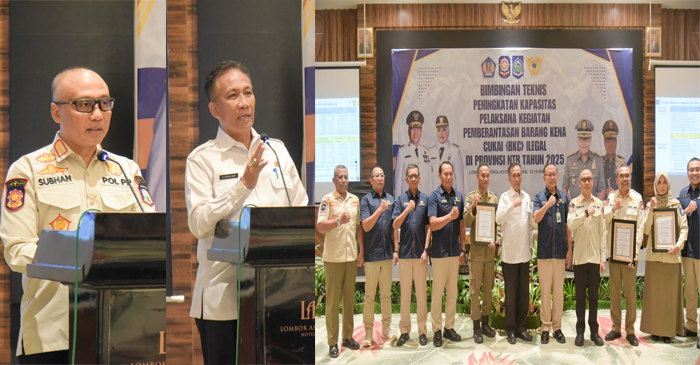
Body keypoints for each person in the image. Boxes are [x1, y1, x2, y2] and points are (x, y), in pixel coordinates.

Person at [1, 67, 157, 364]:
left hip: (124, 333)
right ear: (56, 112)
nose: (97, 115)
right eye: (84, 105)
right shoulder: (27, 170)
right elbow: (17, 251)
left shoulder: (127, 170)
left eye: (104, 103)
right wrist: (84, 259)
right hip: (53, 334)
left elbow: (148, 244)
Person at [185, 61, 308, 364]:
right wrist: (243, 185)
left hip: (281, 299)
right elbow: (199, 224)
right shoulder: (202, 159)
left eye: (248, 93)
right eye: (233, 96)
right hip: (224, 301)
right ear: (215, 109)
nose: (244, 103)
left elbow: (303, 212)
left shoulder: (276, 151)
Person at [317, 165, 362, 358]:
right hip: (333, 258)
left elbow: (358, 227)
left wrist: (362, 251)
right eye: (340, 177)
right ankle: (332, 342)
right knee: (333, 303)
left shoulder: (355, 200)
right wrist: (337, 221)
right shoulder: (328, 200)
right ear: (334, 180)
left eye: (346, 177)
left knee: (349, 301)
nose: (344, 180)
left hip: (351, 256)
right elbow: (320, 226)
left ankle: (347, 337)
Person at [640, 171, 688, 343]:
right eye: (659, 182)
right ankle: (655, 329)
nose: (661, 186)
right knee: (654, 296)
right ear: (655, 185)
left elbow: (684, 228)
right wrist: (651, 209)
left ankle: (668, 331)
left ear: (668, 184)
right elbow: (645, 230)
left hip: (671, 257)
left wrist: (678, 246)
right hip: (654, 259)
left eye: (664, 182)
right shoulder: (649, 205)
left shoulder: (676, 205)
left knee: (668, 296)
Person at [603, 165, 644, 346]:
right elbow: (603, 219)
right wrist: (613, 209)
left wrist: (634, 252)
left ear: (630, 178)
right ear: (617, 179)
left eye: (627, 176)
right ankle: (615, 327)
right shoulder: (611, 198)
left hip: (630, 257)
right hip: (614, 255)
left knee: (630, 294)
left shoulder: (637, 198)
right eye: (622, 176)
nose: (625, 179)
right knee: (615, 293)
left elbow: (640, 227)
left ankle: (630, 331)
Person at [533, 163, 572, 345]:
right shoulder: (539, 197)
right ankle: (545, 327)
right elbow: (536, 218)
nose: (552, 177)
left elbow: (567, 225)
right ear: (544, 177)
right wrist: (547, 205)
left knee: (558, 293)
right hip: (544, 252)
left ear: (557, 176)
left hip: (560, 253)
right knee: (545, 291)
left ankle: (557, 327)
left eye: (554, 174)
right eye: (548, 174)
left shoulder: (564, 197)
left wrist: (570, 249)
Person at [427, 161, 466, 347]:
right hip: (439, 253)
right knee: (437, 294)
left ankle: (449, 327)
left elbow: (461, 224)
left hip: (454, 251)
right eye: (446, 174)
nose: (449, 177)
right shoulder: (434, 196)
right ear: (440, 176)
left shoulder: (459, 196)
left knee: (452, 293)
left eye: (451, 173)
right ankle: (436, 329)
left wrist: (463, 249)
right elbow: (433, 224)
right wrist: (449, 216)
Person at [392, 164, 430, 347]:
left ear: (419, 178)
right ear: (406, 179)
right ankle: (405, 331)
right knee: (405, 294)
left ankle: (422, 331)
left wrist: (426, 250)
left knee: (422, 294)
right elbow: (394, 225)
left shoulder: (425, 199)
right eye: (410, 176)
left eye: (416, 176)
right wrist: (407, 210)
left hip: (421, 255)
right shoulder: (400, 200)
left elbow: (429, 227)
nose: (414, 179)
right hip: (406, 254)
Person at [567, 168, 606, 347]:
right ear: (579, 182)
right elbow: (570, 224)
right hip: (580, 259)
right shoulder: (574, 203)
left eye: (590, 179)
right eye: (584, 180)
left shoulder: (599, 203)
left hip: (594, 258)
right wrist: (585, 214)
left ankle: (594, 332)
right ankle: (580, 332)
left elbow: (602, 233)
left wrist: (603, 258)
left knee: (595, 299)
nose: (587, 182)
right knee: (581, 298)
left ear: (593, 181)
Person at [496, 162, 534, 345]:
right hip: (510, 254)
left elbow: (528, 225)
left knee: (523, 294)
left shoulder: (527, 197)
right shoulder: (504, 198)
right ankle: (510, 329)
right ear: (509, 178)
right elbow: (498, 219)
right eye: (514, 175)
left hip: (524, 254)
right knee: (511, 295)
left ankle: (521, 328)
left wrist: (530, 245)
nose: (517, 178)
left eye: (519, 175)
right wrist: (512, 205)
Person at [359, 166, 396, 347]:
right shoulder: (366, 200)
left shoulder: (390, 199)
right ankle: (368, 333)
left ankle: (386, 330)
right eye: (377, 176)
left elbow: (393, 228)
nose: (380, 178)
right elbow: (365, 226)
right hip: (372, 256)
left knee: (386, 295)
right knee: (370, 296)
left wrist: (396, 250)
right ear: (371, 180)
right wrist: (380, 210)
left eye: (382, 175)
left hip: (387, 254)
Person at [463, 163, 499, 344]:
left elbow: (497, 224)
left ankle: (485, 323)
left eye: (487, 175)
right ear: (477, 177)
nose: (485, 178)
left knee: (488, 290)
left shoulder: (494, 199)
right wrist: (475, 205)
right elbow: (466, 220)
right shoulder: (471, 197)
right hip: (476, 252)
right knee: (475, 289)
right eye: (482, 175)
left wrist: (497, 239)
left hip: (490, 253)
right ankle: (476, 326)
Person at [680, 157, 700, 348]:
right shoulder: (683, 194)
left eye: (697, 169)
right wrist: (685, 210)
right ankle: (691, 326)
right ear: (687, 173)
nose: (694, 173)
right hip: (687, 252)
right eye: (691, 170)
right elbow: (676, 217)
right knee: (690, 293)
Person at [562, 119, 606, 200]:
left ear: (591, 140)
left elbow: (602, 189)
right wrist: (571, 205)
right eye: (581, 140)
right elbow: (564, 188)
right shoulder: (570, 160)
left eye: (587, 140)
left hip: (593, 209)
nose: (584, 144)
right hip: (575, 209)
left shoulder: (598, 160)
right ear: (577, 140)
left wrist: (596, 206)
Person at [395, 110, 432, 195]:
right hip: (407, 201)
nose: (416, 132)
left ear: (421, 131)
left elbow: (430, 181)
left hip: (424, 201)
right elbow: (398, 182)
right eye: (413, 128)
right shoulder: (402, 152)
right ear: (408, 131)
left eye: (418, 128)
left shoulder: (427, 152)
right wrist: (398, 204)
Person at [429, 115, 465, 195]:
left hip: (451, 197)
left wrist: (460, 202)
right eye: (439, 130)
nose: (441, 133)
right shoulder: (431, 151)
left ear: (448, 131)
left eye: (444, 130)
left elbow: (459, 180)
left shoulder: (455, 151)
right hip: (435, 197)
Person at [601, 120, 627, 197]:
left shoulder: (622, 162)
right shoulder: (599, 162)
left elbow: (627, 186)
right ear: (604, 142)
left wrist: (614, 194)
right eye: (608, 141)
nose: (610, 144)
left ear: (616, 142)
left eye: (612, 140)